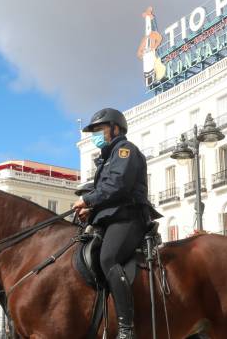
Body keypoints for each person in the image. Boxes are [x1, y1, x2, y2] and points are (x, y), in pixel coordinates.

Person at [73, 108, 161, 339]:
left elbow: (117, 186)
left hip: (129, 217)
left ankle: (126, 327)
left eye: (99, 129)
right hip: (112, 218)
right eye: (93, 131)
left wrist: (87, 199)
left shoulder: (125, 151)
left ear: (115, 128)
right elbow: (108, 195)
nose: (95, 135)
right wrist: (89, 211)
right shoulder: (107, 158)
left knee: (108, 258)